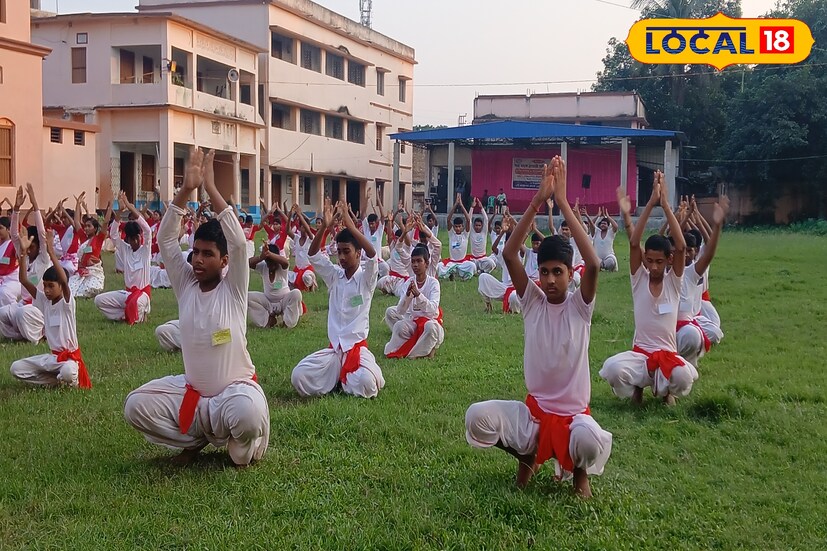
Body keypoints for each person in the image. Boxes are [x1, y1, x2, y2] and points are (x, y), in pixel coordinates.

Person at [465, 157, 611, 498]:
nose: (549, 280)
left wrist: (560, 201)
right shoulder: (532, 302)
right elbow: (511, 254)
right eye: (544, 272)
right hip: (533, 415)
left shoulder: (580, 306)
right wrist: (536, 201)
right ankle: (527, 457)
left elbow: (593, 262)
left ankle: (579, 474)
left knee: (590, 439)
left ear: (569, 273)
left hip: (574, 420)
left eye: (557, 272)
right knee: (476, 418)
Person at [124, 148, 269, 467]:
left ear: (225, 260)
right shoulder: (186, 283)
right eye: (196, 253)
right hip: (193, 394)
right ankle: (195, 439)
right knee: (134, 405)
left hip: (234, 394)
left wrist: (212, 189)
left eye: (208, 254)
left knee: (248, 414)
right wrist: (186, 190)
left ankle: (243, 444)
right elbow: (165, 240)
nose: (199, 260)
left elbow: (241, 244)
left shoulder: (233, 288)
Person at [599, 173, 698, 406]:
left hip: (667, 356)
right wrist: (651, 201)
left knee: (684, 377)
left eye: (659, 262)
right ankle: (638, 388)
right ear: (645, 259)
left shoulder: (674, 282)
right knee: (613, 369)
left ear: (668, 260)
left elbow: (682, 245)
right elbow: (634, 242)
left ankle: (666, 391)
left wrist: (664, 204)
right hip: (640, 355)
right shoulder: (639, 279)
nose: (653, 266)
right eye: (650, 260)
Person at [291, 198, 385, 399]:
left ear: (357, 253)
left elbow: (372, 255)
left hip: (356, 350)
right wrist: (324, 227)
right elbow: (314, 255)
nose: (341, 257)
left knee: (369, 384)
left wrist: (352, 227)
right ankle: (341, 378)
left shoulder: (366, 279)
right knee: (298, 376)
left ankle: (346, 378)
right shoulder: (334, 276)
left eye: (347, 252)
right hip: (334, 352)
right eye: (339, 252)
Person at [10, 227, 92, 389]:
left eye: (51, 286)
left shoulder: (67, 302)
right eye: (45, 286)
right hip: (53, 359)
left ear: (61, 286)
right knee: (16, 368)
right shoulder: (44, 301)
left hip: (69, 360)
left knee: (69, 371)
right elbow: (24, 280)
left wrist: (51, 252)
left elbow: (63, 278)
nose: (46, 290)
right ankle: (54, 381)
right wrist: (23, 253)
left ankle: (66, 380)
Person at [675, 196, 729, 367]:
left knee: (715, 332)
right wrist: (685, 216)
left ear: (696, 250)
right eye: (684, 250)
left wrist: (697, 216)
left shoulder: (697, 265)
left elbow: (709, 240)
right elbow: (673, 237)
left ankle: (689, 354)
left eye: (691, 250)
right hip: (678, 316)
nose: (687, 253)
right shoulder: (672, 266)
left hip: (700, 305)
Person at [0, 184, 48, 343]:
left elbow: (41, 233)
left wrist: (35, 204)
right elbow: (14, 234)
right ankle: (20, 336)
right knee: (2, 313)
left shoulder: (43, 258)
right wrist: (16, 209)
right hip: (24, 304)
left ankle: (39, 336)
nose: (28, 249)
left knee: (22, 314)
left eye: (31, 246)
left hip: (39, 307)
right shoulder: (24, 257)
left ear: (39, 247)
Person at [95, 191, 152, 324]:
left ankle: (137, 313)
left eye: (137, 238)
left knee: (136, 302)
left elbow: (148, 230)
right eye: (132, 239)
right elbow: (113, 233)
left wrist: (129, 206)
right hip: (127, 294)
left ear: (140, 236)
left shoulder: (145, 250)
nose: (135, 242)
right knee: (99, 300)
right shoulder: (125, 249)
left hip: (142, 295)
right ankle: (127, 314)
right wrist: (120, 211)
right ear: (128, 239)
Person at [384, 243, 444, 359]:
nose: (415, 265)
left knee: (432, 328)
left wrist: (418, 295)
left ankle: (416, 353)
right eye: (413, 262)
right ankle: (424, 348)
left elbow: (432, 309)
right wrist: (407, 296)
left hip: (429, 321)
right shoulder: (408, 283)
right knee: (399, 326)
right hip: (413, 322)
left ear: (426, 264)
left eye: (418, 261)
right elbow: (400, 311)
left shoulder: (433, 283)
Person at [248, 243, 303, 329]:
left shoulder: (282, 267)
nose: (271, 265)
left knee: (296, 293)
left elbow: (286, 262)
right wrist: (261, 257)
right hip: (268, 302)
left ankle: (288, 322)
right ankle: (267, 321)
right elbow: (248, 263)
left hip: (284, 301)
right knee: (247, 297)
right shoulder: (264, 267)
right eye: (268, 262)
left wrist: (269, 253)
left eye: (273, 262)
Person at [478, 215, 524, 314]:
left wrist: (514, 225)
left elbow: (522, 239)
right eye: (508, 243)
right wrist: (503, 231)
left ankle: (514, 311)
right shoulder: (504, 254)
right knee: (483, 277)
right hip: (503, 288)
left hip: (516, 290)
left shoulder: (520, 254)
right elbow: (494, 248)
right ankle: (488, 305)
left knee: (513, 296)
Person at [69, 195, 111, 298]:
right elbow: (76, 222)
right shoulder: (84, 238)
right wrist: (78, 204)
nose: (86, 228)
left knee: (89, 289)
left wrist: (110, 206)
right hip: (82, 271)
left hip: (94, 271)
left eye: (89, 226)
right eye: (85, 226)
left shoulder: (98, 239)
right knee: (70, 289)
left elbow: (105, 222)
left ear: (95, 228)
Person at [436, 194, 476, 281]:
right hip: (452, 262)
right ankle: (451, 273)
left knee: (472, 266)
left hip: (462, 263)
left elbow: (468, 220)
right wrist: (455, 205)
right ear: (454, 227)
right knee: (439, 266)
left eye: (459, 226)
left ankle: (460, 276)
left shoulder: (465, 235)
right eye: (456, 226)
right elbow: (448, 219)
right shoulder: (452, 234)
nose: (458, 228)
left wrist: (461, 205)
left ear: (462, 227)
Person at [289, 205, 319, 292]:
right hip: (298, 269)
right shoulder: (297, 238)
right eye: (301, 227)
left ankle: (312, 284)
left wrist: (299, 215)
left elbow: (308, 230)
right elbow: (288, 231)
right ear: (299, 228)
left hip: (307, 269)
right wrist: (290, 216)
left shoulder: (310, 238)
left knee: (306, 277)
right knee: (286, 276)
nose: (304, 229)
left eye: (305, 227)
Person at [469, 198, 496, 274]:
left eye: (479, 225)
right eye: (476, 225)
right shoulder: (472, 232)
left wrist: (481, 208)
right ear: (474, 226)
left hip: (483, 259)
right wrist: (472, 208)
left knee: (492, 263)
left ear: (482, 226)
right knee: (468, 266)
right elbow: (469, 220)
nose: (477, 227)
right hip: (473, 260)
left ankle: (482, 271)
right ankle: (475, 271)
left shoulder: (484, 232)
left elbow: (486, 220)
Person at [589, 206, 619, 272]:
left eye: (605, 224)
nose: (603, 225)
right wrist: (598, 216)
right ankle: (600, 267)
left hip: (608, 257)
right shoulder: (596, 231)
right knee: (592, 262)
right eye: (602, 223)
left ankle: (604, 267)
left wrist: (607, 216)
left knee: (611, 261)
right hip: (597, 258)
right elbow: (590, 223)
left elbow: (616, 226)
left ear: (608, 226)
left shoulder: (610, 233)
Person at [0, 213, 20, 307]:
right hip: (2, 281)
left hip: (12, 281)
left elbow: (19, 252)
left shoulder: (13, 245)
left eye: (0, 228)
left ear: (8, 230)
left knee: (4, 293)